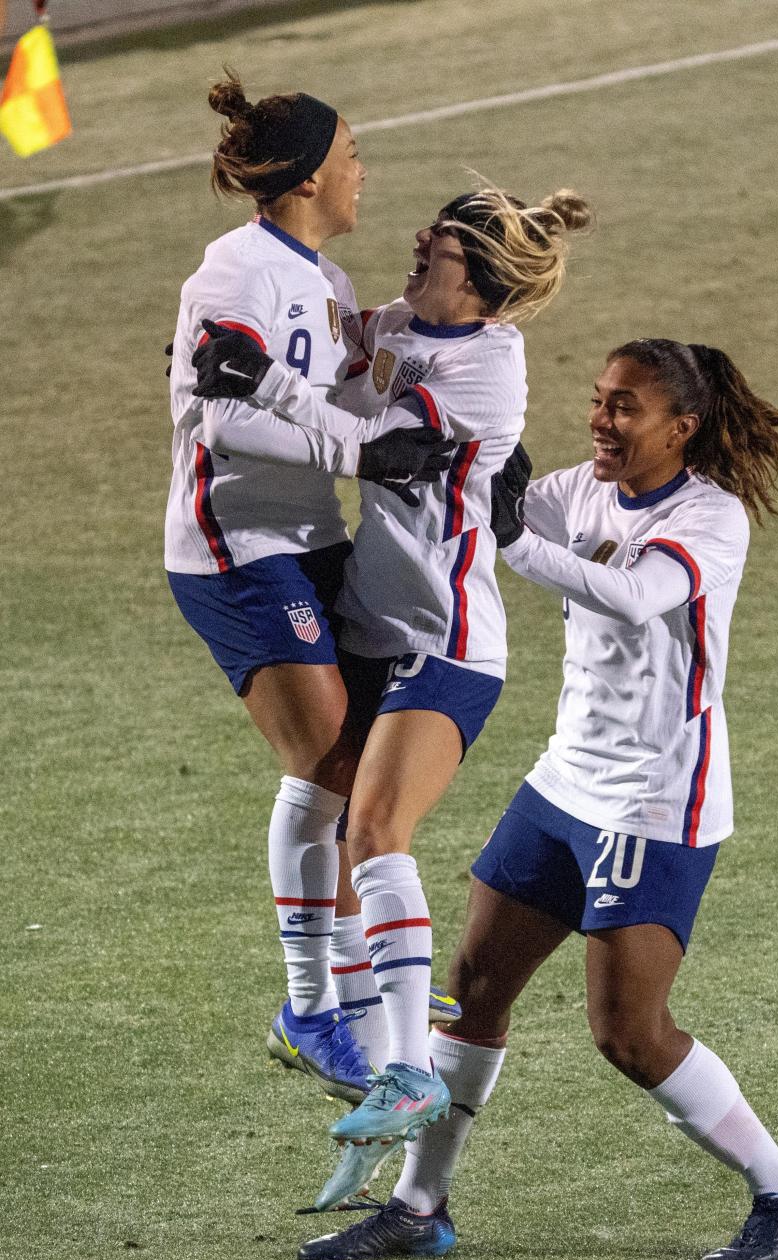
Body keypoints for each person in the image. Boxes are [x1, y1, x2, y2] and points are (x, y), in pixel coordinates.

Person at [296, 338, 778, 1260]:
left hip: (652, 802)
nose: (601, 420)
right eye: (598, 399)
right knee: (469, 993)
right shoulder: (578, 491)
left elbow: (632, 596)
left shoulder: (712, 519)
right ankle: (420, 1207)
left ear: (683, 427)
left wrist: (512, 538)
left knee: (628, 1034)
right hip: (562, 782)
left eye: (626, 407)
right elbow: (478, 512)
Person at [191, 182, 594, 1206]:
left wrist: (268, 390)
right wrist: (227, 352)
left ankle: (407, 1065)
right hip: (373, 631)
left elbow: (370, 436)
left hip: (446, 646)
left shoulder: (487, 368)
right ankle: (322, 1009)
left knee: (372, 833)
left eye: (448, 244)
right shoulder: (407, 320)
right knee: (320, 792)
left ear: (488, 284)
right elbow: (330, 351)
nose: (420, 240)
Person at [164, 70, 456, 1106]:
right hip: (236, 545)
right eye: (350, 154)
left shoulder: (325, 281)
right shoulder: (231, 273)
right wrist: (362, 451)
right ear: (303, 178)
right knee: (326, 748)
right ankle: (312, 1005)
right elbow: (227, 417)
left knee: (352, 747)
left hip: (309, 535)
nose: (361, 169)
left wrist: (384, 380)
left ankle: (349, 978)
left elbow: (326, 392)